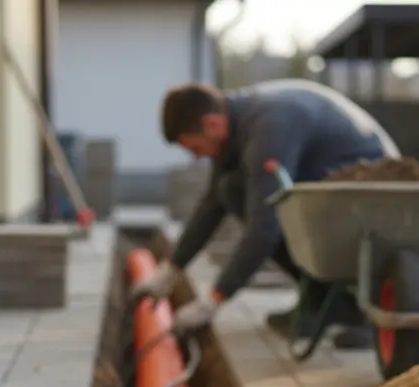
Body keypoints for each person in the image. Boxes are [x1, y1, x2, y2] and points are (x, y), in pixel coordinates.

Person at [130, 79, 400, 347]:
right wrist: (170, 270)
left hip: (370, 188)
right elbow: (212, 204)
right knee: (230, 189)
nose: (196, 157)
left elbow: (264, 228)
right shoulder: (238, 122)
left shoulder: (269, 129)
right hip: (327, 188)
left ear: (212, 123)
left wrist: (212, 301)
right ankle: (324, 302)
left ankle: (362, 307)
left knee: (266, 214)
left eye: (194, 147)